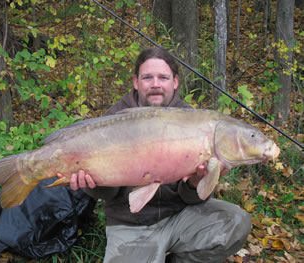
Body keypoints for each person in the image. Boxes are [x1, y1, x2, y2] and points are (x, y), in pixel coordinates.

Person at [58, 47, 251, 263]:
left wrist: (195, 182)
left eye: (163, 77)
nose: (156, 84)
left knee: (236, 222)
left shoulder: (193, 120)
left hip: (179, 215)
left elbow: (191, 198)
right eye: (148, 77)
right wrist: (92, 184)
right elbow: (110, 196)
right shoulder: (114, 119)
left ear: (175, 82)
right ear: (135, 82)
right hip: (130, 223)